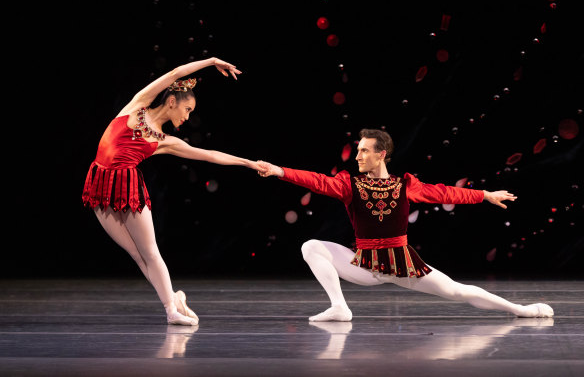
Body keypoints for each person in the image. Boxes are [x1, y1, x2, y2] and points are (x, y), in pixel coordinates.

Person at [257, 129, 554, 321]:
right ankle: (340, 307)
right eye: (357, 150)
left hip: (402, 265)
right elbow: (317, 181)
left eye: (364, 151)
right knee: (311, 246)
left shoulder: (406, 185)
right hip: (364, 265)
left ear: (381, 154)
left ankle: (520, 309)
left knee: (457, 291)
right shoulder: (349, 184)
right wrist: (278, 170)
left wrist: (484, 195)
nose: (358, 156)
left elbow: (445, 192)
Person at [82, 57, 267, 326]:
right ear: (172, 101)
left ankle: (171, 309)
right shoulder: (136, 105)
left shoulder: (165, 141)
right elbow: (175, 72)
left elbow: (210, 155)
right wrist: (212, 61)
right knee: (135, 254)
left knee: (150, 251)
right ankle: (174, 299)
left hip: (128, 187)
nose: (188, 116)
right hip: (100, 184)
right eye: (188, 109)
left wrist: (248, 163)